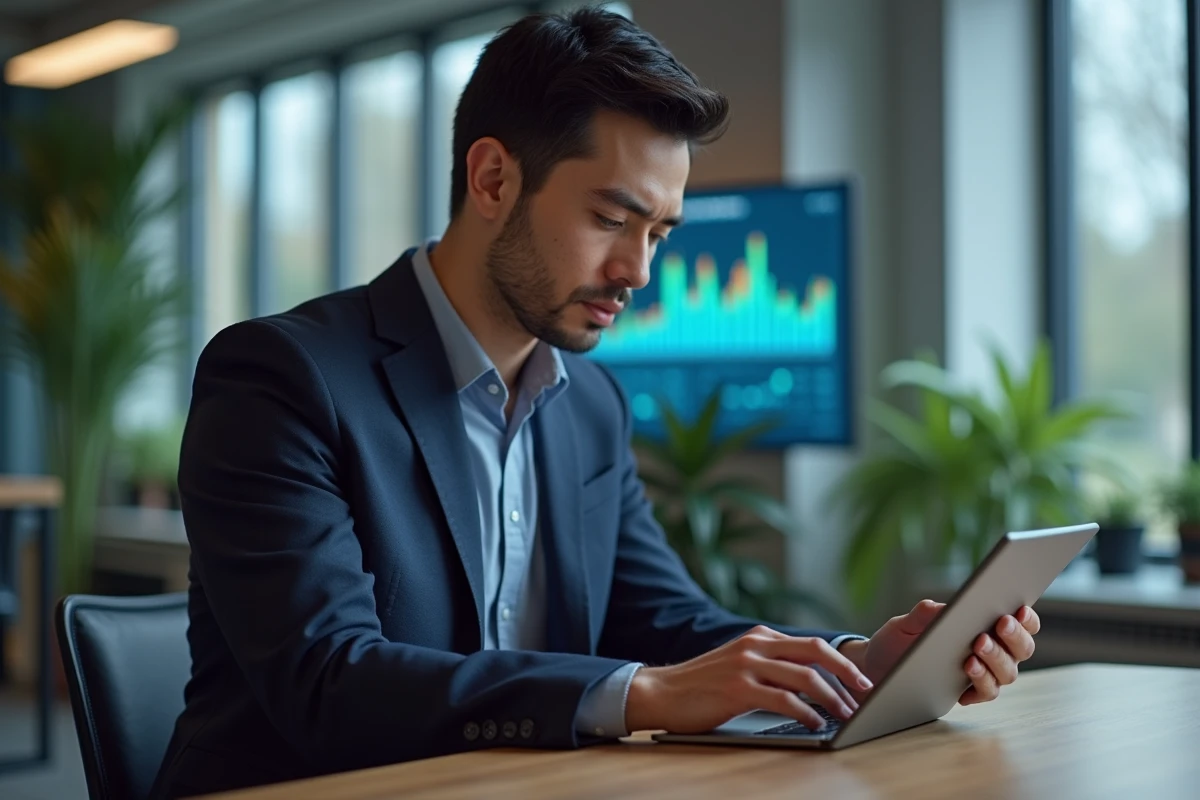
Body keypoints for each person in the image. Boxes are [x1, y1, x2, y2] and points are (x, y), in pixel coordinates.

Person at [150, 7, 1040, 798]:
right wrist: (644, 694)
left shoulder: (590, 404)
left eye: (659, 233)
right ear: (492, 180)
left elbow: (669, 622)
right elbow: (329, 680)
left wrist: (858, 665)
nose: (637, 272)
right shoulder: (282, 377)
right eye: (612, 220)